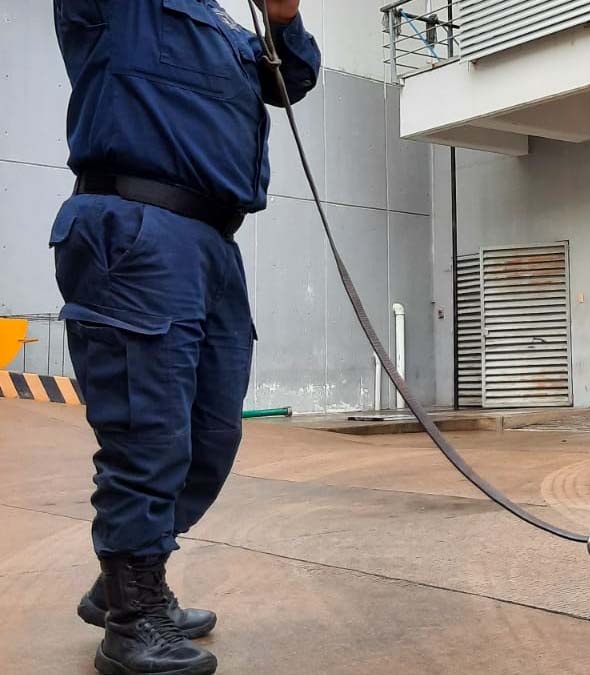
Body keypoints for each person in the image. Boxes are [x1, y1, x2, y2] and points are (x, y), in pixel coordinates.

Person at [50, 1, 320, 673]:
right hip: (140, 225)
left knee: (210, 433)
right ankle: (132, 615)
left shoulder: (227, 22)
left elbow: (295, 80)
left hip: (213, 243)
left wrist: (284, 19)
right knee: (149, 432)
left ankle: (129, 575)